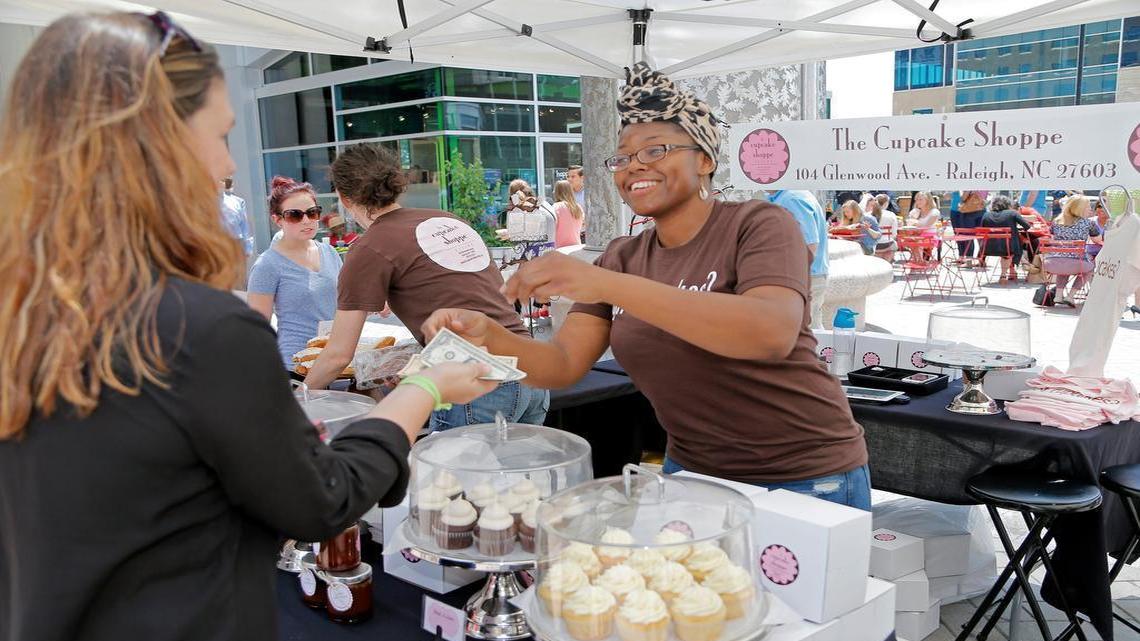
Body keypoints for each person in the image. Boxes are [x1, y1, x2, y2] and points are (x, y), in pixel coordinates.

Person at [0, 12, 497, 641]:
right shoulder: (199, 329)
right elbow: (321, 500)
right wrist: (423, 388)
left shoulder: (27, 313)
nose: (225, 165)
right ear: (156, 143)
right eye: (219, 134)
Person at [423, 63, 871, 509]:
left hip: (803, 475)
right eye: (622, 157)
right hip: (692, 472)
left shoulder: (759, 224)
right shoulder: (623, 256)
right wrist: (489, 338)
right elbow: (561, 365)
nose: (633, 165)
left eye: (655, 150)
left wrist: (607, 283)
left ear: (705, 160)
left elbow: (769, 333)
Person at [303, 143, 550, 429]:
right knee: (519, 473)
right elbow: (467, 297)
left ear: (344, 198)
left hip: (479, 380)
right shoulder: (447, 220)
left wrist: (299, 399)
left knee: (451, 474)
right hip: (531, 368)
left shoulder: (369, 248)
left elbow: (338, 355)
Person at [247, 177, 342, 367]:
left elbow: (345, 301)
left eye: (312, 213)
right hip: (295, 364)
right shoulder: (267, 264)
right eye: (294, 215)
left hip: (337, 360)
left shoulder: (329, 252)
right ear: (277, 220)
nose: (306, 221)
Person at [769, 190, 830, 328]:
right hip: (807, 276)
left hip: (804, 277)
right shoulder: (787, 197)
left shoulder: (791, 199)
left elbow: (810, 244)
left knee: (804, 332)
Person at [1046, 195, 1100, 306]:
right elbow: (1098, 240)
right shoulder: (1088, 223)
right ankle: (1071, 296)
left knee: (1064, 262)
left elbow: (1051, 238)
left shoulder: (1056, 221)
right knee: (1089, 269)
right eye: (1088, 206)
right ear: (1080, 208)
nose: (1090, 209)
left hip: (1052, 262)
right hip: (1077, 263)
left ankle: (1058, 296)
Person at [980, 195, 1032, 282]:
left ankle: (1012, 271)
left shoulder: (986, 215)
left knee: (1005, 243)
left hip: (988, 249)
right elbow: (1027, 226)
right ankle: (1004, 274)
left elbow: (981, 231)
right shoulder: (1012, 213)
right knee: (1012, 244)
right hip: (1009, 248)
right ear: (1008, 204)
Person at [953, 190, 987, 262]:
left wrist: (961, 197)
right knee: (981, 237)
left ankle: (969, 262)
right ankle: (982, 260)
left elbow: (964, 198)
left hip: (969, 213)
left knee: (969, 237)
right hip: (982, 211)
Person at [553, 179, 585, 248]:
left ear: (557, 192)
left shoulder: (556, 207)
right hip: (576, 247)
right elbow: (582, 226)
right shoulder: (578, 207)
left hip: (560, 249)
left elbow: (552, 228)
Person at [868, 197, 898, 261]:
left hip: (873, 245)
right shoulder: (891, 215)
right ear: (886, 203)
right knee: (894, 245)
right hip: (888, 244)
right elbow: (894, 234)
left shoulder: (867, 215)